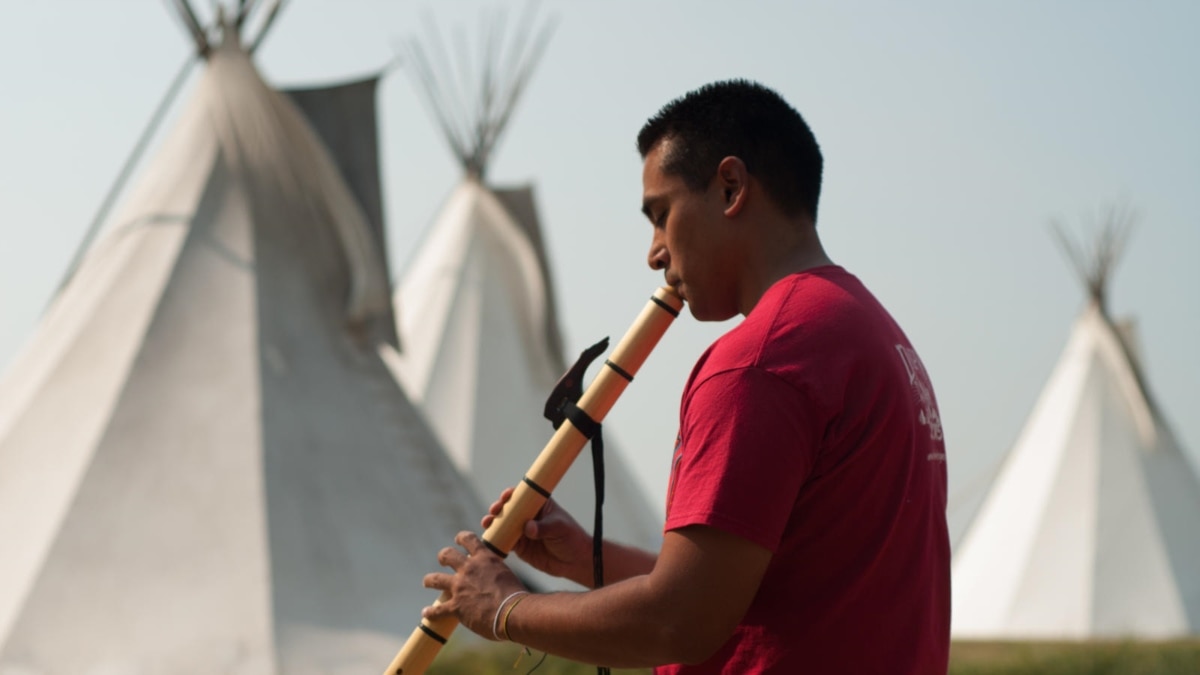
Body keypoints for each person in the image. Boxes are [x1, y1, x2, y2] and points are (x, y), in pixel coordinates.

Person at [421, 79, 950, 674]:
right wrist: (585, 560)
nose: (654, 253)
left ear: (730, 187)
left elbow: (678, 620)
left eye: (661, 214)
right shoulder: (872, 333)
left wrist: (504, 608)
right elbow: (736, 590)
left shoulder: (762, 360)